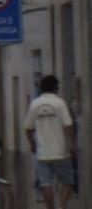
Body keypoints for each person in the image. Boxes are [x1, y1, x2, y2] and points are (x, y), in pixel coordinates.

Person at [25, 75, 77, 209]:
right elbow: (68, 126)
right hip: (61, 153)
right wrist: (73, 144)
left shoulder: (34, 104)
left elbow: (28, 128)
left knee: (45, 184)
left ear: (41, 89)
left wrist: (32, 144)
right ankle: (62, 206)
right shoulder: (60, 103)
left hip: (43, 154)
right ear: (56, 88)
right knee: (67, 182)